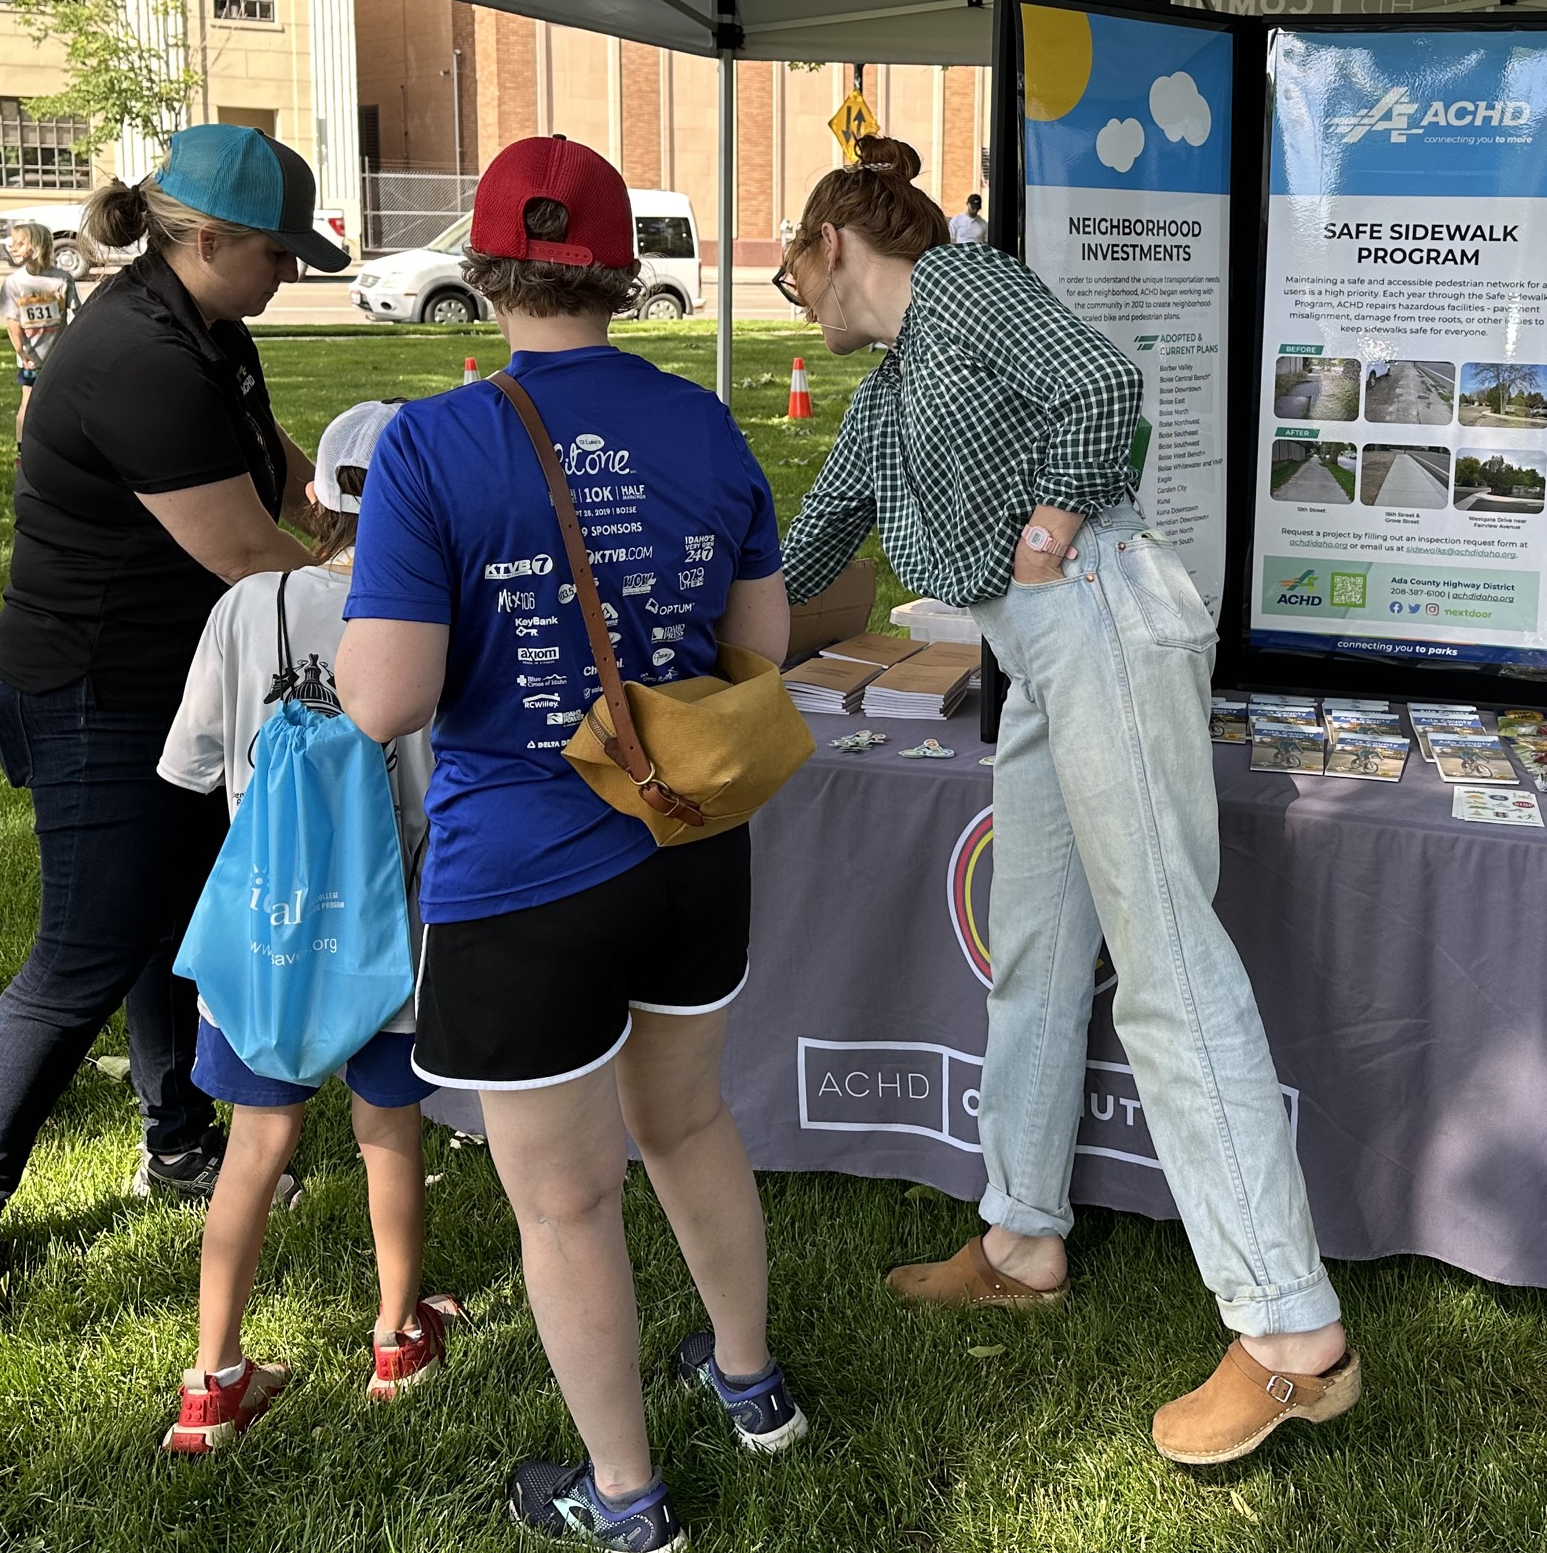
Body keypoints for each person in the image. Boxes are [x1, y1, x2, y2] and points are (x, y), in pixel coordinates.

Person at [774, 135, 1359, 1465]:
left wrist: (1042, 532)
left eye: (793, 266)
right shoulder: (885, 391)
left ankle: (1288, 1337)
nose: (787, 294)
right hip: (1038, 646)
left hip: (1090, 608)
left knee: (1161, 960)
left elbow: (1101, 387)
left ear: (840, 245)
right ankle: (1020, 1236)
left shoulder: (957, 287)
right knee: (1036, 947)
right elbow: (802, 546)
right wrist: (675, 620)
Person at [336, 135, 801, 1551]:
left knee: (561, 1199)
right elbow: (759, 644)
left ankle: (625, 1500)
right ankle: (750, 1384)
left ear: (481, 275)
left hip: (521, 871)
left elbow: (384, 698)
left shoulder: (428, 442)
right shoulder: (705, 422)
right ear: (614, 268)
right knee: (688, 1120)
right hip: (684, 840)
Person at [0, 124, 349, 1243]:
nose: (289, 272)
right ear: (204, 237)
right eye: (277, 252)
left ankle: (180, 1139)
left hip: (172, 673)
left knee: (173, 916)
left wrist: (334, 500)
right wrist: (373, 597)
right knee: (86, 952)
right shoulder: (137, 359)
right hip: (98, 684)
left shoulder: (205, 326)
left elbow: (265, 453)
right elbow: (248, 558)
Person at [157, 399, 457, 1452]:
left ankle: (212, 1379)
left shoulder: (248, 606)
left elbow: (190, 765)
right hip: (393, 934)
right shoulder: (437, 614)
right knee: (388, 1137)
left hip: (269, 934)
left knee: (254, 1144)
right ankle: (393, 1338)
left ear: (319, 495)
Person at [3, 221, 79, 449]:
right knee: (28, 402)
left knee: (61, 403)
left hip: (59, 357)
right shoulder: (14, 282)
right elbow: (12, 322)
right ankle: (21, 450)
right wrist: (22, 352)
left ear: (36, 246)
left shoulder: (62, 279)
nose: (12, 248)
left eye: (19, 243)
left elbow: (76, 313)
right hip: (31, 359)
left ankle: (60, 446)